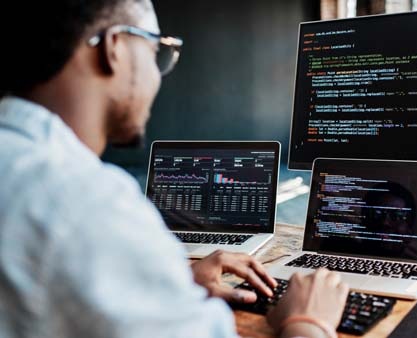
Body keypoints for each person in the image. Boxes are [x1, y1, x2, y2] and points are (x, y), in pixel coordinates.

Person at [0, 1, 348, 338]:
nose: (158, 75)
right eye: (157, 52)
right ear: (114, 47)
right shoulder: (90, 204)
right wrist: (307, 322)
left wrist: (163, 285)